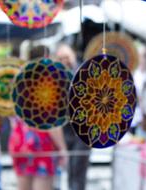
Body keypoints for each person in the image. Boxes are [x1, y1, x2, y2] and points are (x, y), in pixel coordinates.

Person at [9, 45, 67, 190]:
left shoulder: (20, 81)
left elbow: (12, 116)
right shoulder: (49, 86)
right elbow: (52, 124)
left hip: (20, 142)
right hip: (42, 146)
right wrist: (62, 149)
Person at [55, 44, 90, 190]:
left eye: (67, 57)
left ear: (73, 56)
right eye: (61, 58)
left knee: (78, 168)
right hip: (65, 129)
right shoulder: (56, 76)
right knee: (69, 168)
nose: (65, 61)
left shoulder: (82, 73)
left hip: (82, 131)